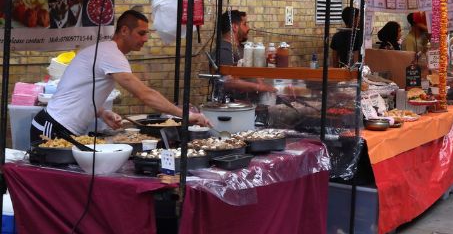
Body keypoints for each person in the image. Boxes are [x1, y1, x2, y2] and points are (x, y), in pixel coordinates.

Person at [31, 10, 210, 143]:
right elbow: (145, 94)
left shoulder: (108, 52)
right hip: (52, 125)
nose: (146, 39)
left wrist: (102, 112)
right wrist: (185, 115)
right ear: (124, 31)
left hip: (63, 127)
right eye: (141, 33)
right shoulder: (110, 54)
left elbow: (79, 88)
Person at [216, 10, 274, 99]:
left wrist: (264, 60)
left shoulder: (244, 49)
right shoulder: (224, 50)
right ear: (235, 27)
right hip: (234, 106)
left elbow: (251, 72)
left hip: (251, 103)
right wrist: (259, 87)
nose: (248, 28)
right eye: (245, 24)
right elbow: (227, 81)